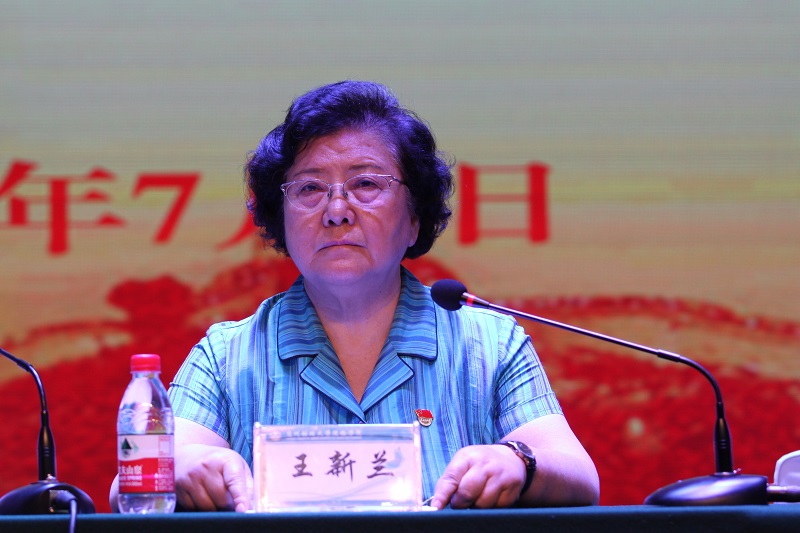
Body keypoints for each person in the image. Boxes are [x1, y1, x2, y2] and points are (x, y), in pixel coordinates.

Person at [109, 80, 599, 512]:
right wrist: (186, 465)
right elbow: (126, 488)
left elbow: (578, 474)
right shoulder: (227, 354)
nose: (337, 210)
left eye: (366, 184)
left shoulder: (489, 343)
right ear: (282, 221)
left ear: (414, 218)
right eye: (310, 189)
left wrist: (518, 461)